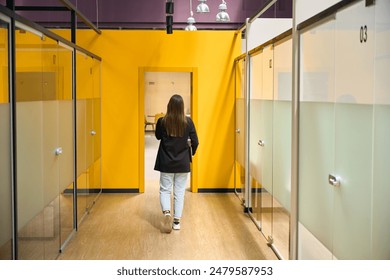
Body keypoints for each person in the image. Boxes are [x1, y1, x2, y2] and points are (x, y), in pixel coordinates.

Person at [154, 94, 199, 233]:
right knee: (179, 192)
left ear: (169, 106)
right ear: (182, 107)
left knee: (165, 189)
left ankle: (167, 212)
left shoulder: (162, 121)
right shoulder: (188, 122)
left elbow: (157, 136)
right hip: (182, 163)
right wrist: (191, 152)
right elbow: (196, 141)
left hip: (166, 162)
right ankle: (176, 222)